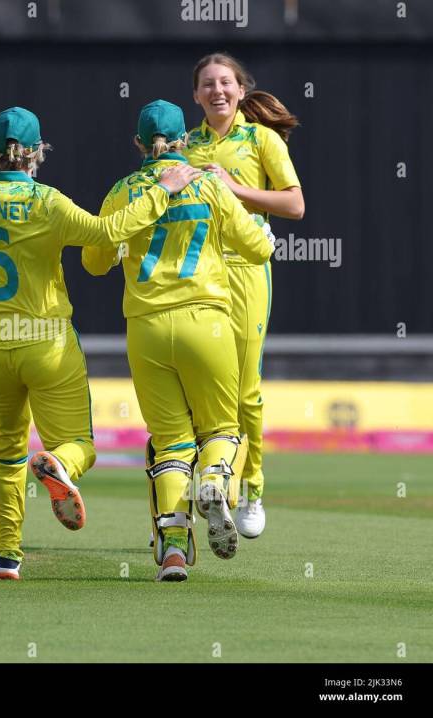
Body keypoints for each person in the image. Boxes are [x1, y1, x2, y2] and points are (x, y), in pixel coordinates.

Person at [0, 106, 201, 580]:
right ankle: (58, 463)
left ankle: (6, 557)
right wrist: (160, 192)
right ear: (37, 154)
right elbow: (108, 232)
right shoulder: (47, 202)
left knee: (3, 448)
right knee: (80, 444)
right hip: (46, 340)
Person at [82, 100, 274, 581]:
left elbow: (93, 261)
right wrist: (264, 236)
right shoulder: (208, 184)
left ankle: (171, 551)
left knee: (169, 444)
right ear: (185, 141)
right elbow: (255, 247)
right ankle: (212, 480)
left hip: (146, 328)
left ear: (138, 145)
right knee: (223, 430)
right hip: (205, 321)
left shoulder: (123, 191)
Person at [183, 53, 304, 539]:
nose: (217, 91)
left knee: (245, 390)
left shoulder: (261, 139)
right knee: (202, 389)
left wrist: (233, 188)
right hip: (195, 278)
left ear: (240, 89)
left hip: (247, 271)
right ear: (195, 95)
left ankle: (252, 487)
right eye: (208, 84)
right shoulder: (184, 144)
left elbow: (294, 203)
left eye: (226, 83)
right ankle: (213, 485)